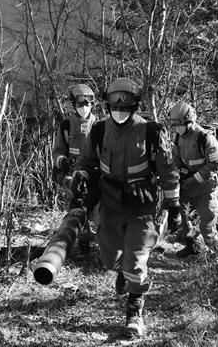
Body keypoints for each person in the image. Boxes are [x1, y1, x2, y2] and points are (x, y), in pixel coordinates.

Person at [72, 77, 180, 338]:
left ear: (135, 106)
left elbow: (168, 170)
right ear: (107, 106)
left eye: (125, 107)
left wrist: (173, 204)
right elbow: (87, 162)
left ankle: (134, 313)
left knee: (137, 258)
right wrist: (81, 176)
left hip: (140, 204)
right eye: (115, 106)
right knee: (110, 259)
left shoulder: (152, 132)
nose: (119, 111)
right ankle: (122, 271)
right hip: (109, 202)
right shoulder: (99, 131)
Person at [168, 102, 218, 257]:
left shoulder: (205, 138)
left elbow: (214, 165)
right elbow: (176, 159)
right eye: (175, 126)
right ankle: (192, 247)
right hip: (187, 186)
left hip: (205, 187)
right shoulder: (179, 138)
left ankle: (216, 256)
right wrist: (178, 174)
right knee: (185, 220)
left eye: (180, 125)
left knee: (207, 222)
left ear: (190, 121)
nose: (177, 129)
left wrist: (194, 179)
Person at [51, 84, 99, 255]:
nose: (84, 107)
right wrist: (63, 162)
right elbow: (57, 151)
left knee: (97, 207)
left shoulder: (99, 126)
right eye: (80, 104)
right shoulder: (66, 126)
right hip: (72, 175)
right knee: (76, 206)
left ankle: (104, 243)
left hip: (94, 174)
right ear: (73, 105)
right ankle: (83, 244)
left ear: (92, 104)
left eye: (87, 103)